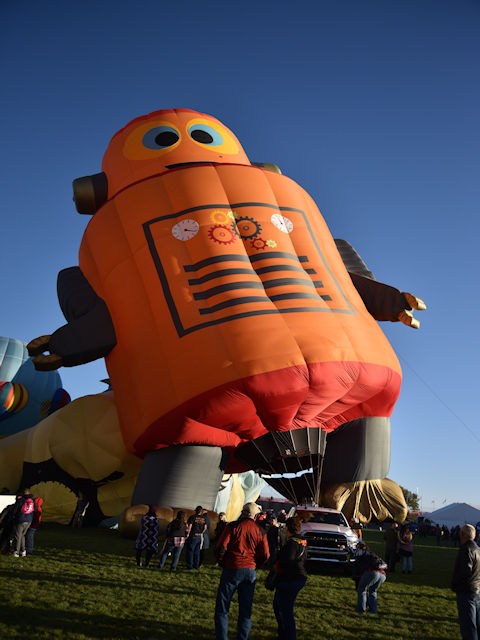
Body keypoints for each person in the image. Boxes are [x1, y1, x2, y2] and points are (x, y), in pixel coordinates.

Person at [214, 502, 269, 640]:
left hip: (232, 568)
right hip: (250, 570)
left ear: (243, 513)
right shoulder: (260, 530)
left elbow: (220, 548)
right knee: (245, 610)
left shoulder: (232, 526)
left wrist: (222, 562)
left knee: (222, 608)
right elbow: (266, 555)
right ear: (255, 516)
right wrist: (255, 565)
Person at [272, 516, 307, 640]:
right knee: (278, 606)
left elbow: (288, 561)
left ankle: (288, 636)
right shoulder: (301, 541)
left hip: (291, 579)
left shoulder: (292, 543)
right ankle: (283, 634)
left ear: (288, 528)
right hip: (297, 577)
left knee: (285, 610)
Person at [451, 523, 480, 639]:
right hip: (477, 590)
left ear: (462, 534)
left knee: (468, 627)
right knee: (476, 625)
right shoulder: (477, 549)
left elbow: (464, 572)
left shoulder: (466, 550)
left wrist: (455, 585)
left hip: (467, 591)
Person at [355, 544, 387, 614]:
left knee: (362, 590)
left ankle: (361, 610)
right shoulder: (372, 554)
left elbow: (356, 554)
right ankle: (373, 610)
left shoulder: (362, 552)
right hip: (383, 574)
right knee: (373, 591)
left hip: (372, 573)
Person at [12, 488, 37, 557]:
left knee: (18, 536)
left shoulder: (21, 500)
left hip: (20, 520)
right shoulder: (33, 500)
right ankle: (23, 551)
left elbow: (15, 510)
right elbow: (35, 509)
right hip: (29, 521)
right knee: (23, 535)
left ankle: (16, 551)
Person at [186, 505, 207, 570]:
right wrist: (201, 533)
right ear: (201, 511)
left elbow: (189, 526)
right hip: (199, 537)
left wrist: (187, 534)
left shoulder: (192, 517)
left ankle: (189, 566)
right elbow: (205, 527)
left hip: (193, 535)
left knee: (190, 551)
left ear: (195, 511)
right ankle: (196, 565)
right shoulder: (204, 518)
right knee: (197, 552)